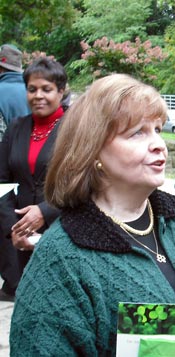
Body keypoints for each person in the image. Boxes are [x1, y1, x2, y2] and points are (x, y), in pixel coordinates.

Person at [9, 74, 175, 356]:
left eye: (157, 129)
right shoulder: (62, 257)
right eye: (137, 133)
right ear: (92, 149)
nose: (159, 143)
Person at [0, 57, 68, 290]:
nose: (38, 95)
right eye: (32, 89)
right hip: (21, 241)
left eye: (46, 89)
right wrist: (15, 230)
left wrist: (45, 211)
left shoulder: (75, 128)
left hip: (64, 233)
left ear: (61, 91)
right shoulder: (16, 127)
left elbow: (86, 181)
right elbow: (2, 182)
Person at [0, 44, 30, 301]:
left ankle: (12, 282)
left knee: (6, 217)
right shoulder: (30, 90)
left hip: (5, 164)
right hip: (32, 162)